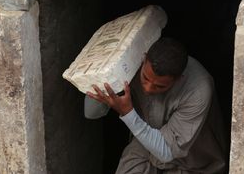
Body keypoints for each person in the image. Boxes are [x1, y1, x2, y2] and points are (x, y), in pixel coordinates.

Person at [85, 37, 227, 174]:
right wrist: (100, 74)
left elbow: (166, 152)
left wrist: (128, 113)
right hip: (144, 144)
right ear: (144, 59)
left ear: (178, 79)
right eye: (145, 78)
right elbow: (91, 113)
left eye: (159, 86)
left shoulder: (199, 90)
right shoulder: (130, 64)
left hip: (191, 160)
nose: (147, 88)